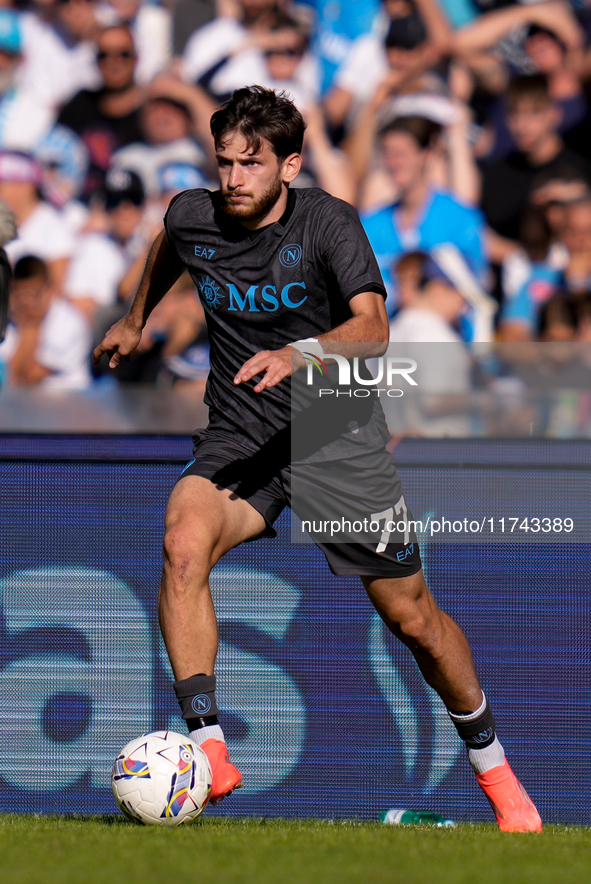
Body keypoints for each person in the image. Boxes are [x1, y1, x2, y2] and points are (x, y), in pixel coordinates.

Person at [93, 85, 542, 832]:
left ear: (290, 164)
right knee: (181, 542)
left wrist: (298, 353)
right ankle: (211, 749)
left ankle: (492, 766)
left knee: (414, 621)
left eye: (251, 164)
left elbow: (372, 328)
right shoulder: (192, 212)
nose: (233, 178)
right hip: (240, 427)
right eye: (224, 162)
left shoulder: (329, 223)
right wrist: (136, 318)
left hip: (332, 429)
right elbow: (172, 242)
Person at [360, 115, 487, 313]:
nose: (393, 162)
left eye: (401, 153)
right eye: (387, 153)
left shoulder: (460, 218)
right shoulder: (370, 225)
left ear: (427, 154)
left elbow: (472, 292)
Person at [57, 25, 145, 201]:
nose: (113, 62)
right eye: (104, 55)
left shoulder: (151, 113)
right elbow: (51, 154)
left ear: (136, 58)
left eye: (123, 54)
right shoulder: (80, 104)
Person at [0, 254, 91, 388]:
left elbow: (29, 376)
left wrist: (30, 326)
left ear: (50, 289)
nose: (27, 302)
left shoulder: (69, 324)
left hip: (67, 401)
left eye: (34, 294)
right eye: (20, 294)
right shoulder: (10, 323)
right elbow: (9, 377)